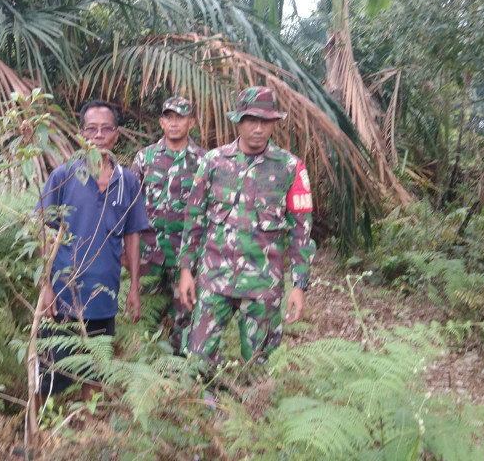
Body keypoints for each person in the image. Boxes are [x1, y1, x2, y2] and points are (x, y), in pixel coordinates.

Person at [177, 86, 316, 366]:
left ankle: (251, 406)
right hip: (214, 279)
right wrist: (185, 270)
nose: (258, 128)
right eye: (251, 119)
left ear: (274, 123)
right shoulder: (213, 162)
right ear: (238, 120)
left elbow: (301, 231)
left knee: (259, 365)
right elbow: (194, 218)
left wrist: (299, 285)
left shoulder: (291, 168)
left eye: (266, 121)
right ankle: (202, 404)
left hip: (263, 284)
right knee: (197, 359)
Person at [35, 100, 148, 400]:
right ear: (81, 133)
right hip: (62, 297)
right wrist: (46, 286)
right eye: (91, 128)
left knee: (95, 373)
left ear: (117, 133)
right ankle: (38, 438)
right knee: (47, 378)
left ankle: (88, 433)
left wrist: (134, 287)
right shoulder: (63, 176)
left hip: (103, 297)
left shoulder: (128, 182)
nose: (98, 135)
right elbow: (44, 233)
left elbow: (133, 236)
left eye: (106, 128)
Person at [131, 96, 206, 351]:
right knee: (144, 316)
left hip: (185, 254)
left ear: (191, 122)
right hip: (148, 253)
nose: (174, 123)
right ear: (162, 122)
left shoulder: (204, 161)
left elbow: (208, 209)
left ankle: (180, 369)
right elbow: (132, 204)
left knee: (184, 315)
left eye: (181, 117)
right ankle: (144, 369)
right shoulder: (145, 158)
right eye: (169, 118)